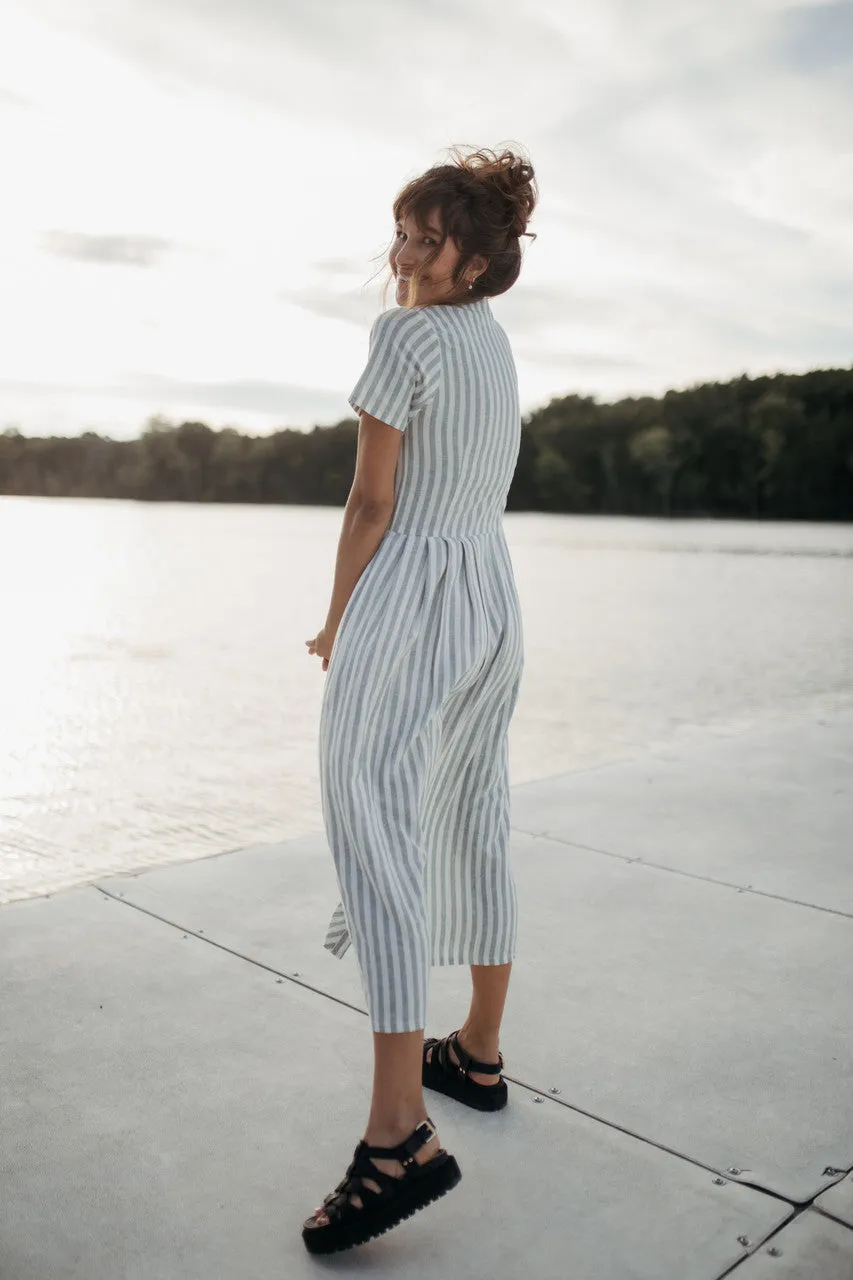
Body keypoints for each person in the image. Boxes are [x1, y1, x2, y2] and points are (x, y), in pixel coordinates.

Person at [303, 143, 538, 1255]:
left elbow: (370, 501)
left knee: (375, 823)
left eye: (425, 237)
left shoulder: (403, 337)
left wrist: (340, 618)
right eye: (399, 229)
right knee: (469, 807)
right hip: (491, 594)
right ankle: (478, 1049)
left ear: (476, 259)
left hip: (412, 596)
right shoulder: (492, 348)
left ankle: (399, 1132)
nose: (401, 252)